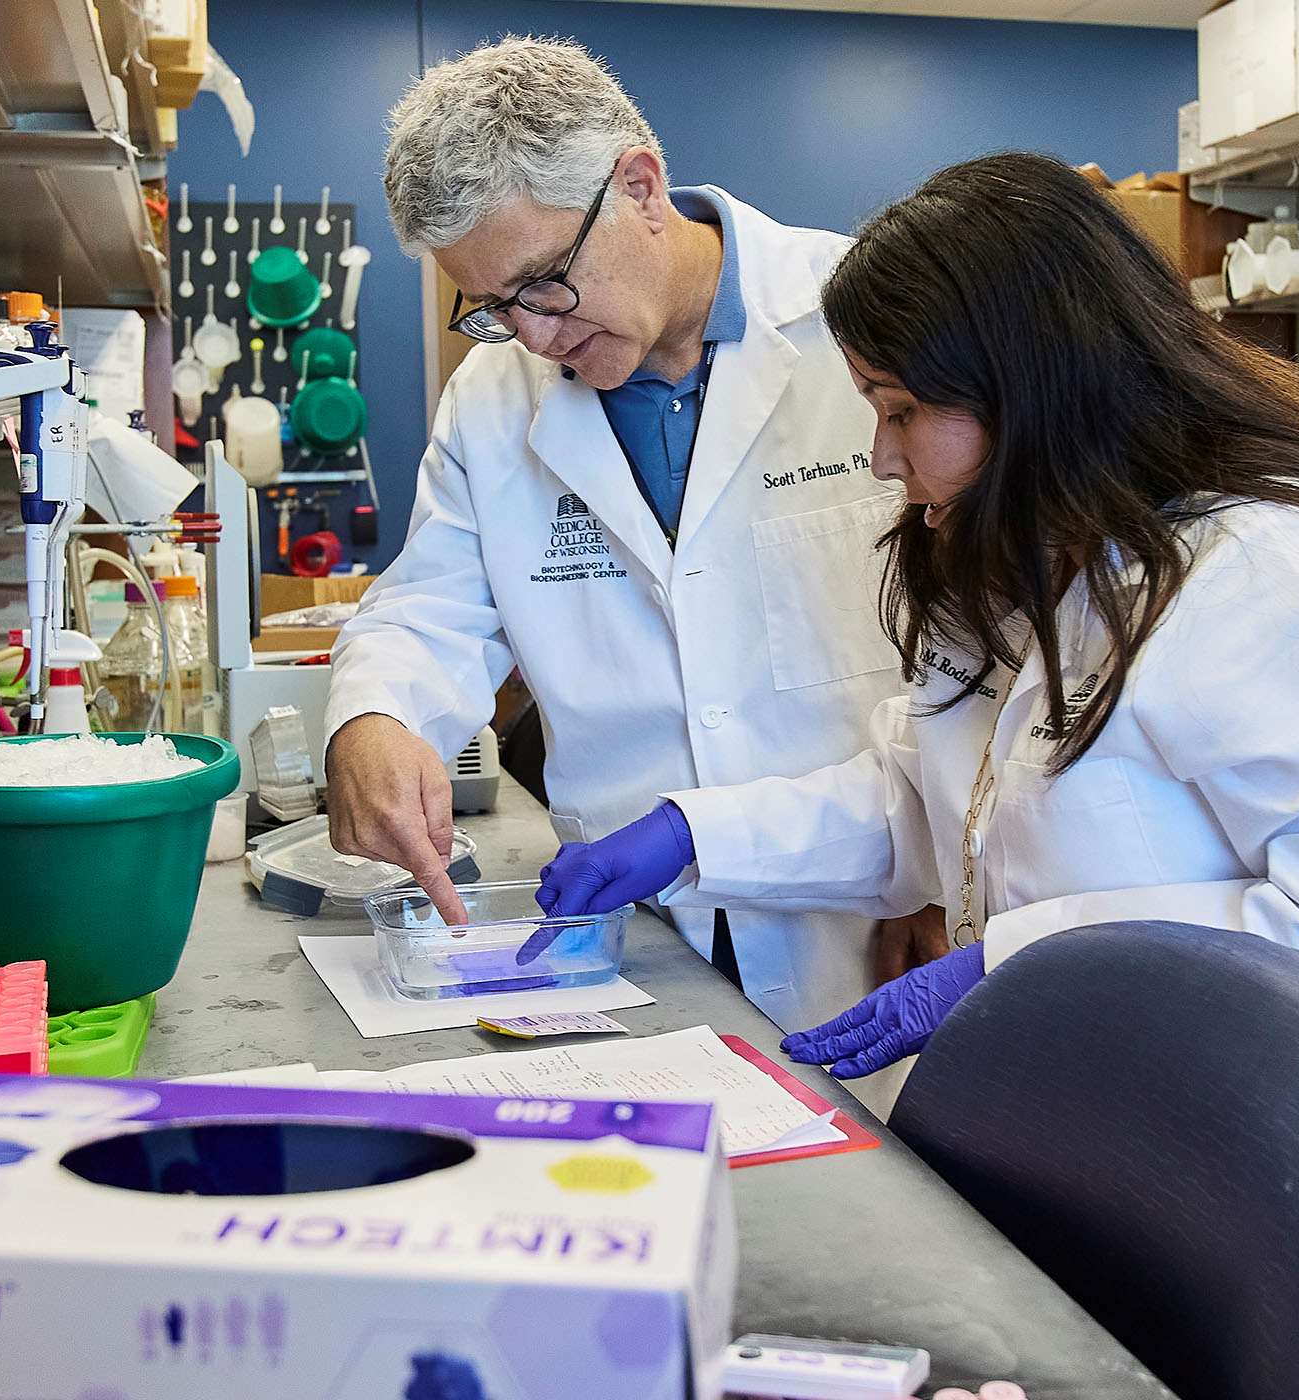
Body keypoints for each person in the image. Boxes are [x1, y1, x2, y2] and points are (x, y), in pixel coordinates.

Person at [535, 153, 1299, 1399]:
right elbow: (922, 804)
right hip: (1147, 1168)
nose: (879, 457)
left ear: (1032, 386)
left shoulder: (1272, 568)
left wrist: (1030, 958)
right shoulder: (1016, 553)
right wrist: (687, 832)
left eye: (897, 408)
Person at [327, 38, 935, 1064]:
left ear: (641, 187)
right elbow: (426, 607)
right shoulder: (491, 400)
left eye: (543, 283)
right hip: (623, 943)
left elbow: (991, 649)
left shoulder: (869, 321)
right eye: (490, 307)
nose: (529, 336)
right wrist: (375, 717)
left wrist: (953, 880)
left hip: (874, 921)